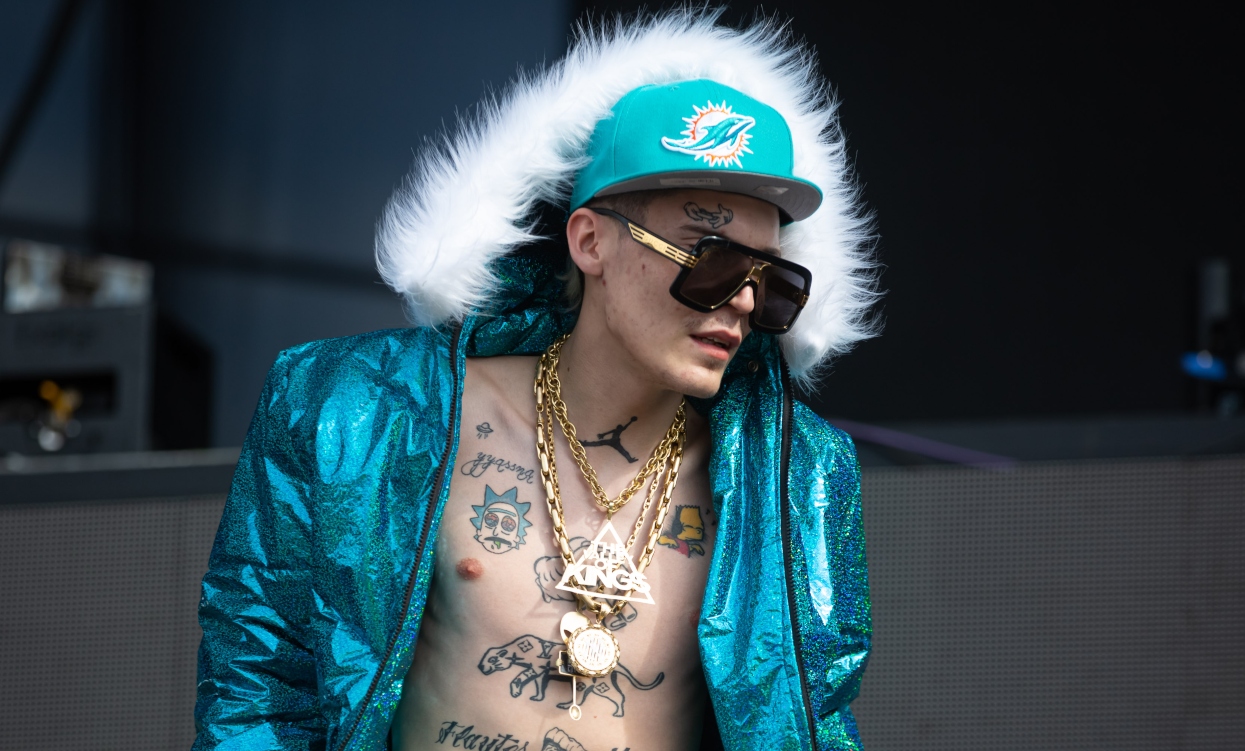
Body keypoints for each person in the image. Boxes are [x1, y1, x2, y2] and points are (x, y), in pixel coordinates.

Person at [194, 10, 876, 751]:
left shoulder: (794, 477)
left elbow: (813, 723)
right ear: (590, 241)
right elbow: (259, 689)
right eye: (710, 260)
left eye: (769, 279)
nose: (742, 300)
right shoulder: (358, 414)